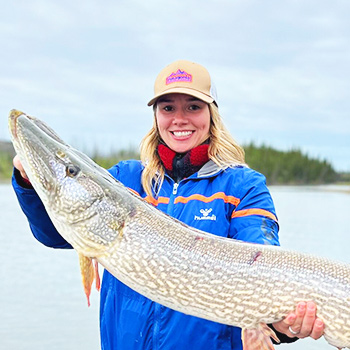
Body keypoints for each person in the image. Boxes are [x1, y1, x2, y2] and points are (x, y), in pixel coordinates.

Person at [12, 60, 325, 350]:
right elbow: (54, 233)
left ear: (211, 114)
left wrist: (286, 326)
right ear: (156, 116)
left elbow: (267, 269)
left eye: (193, 106)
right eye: (167, 107)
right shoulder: (126, 180)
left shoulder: (242, 187)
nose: (179, 119)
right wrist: (28, 181)